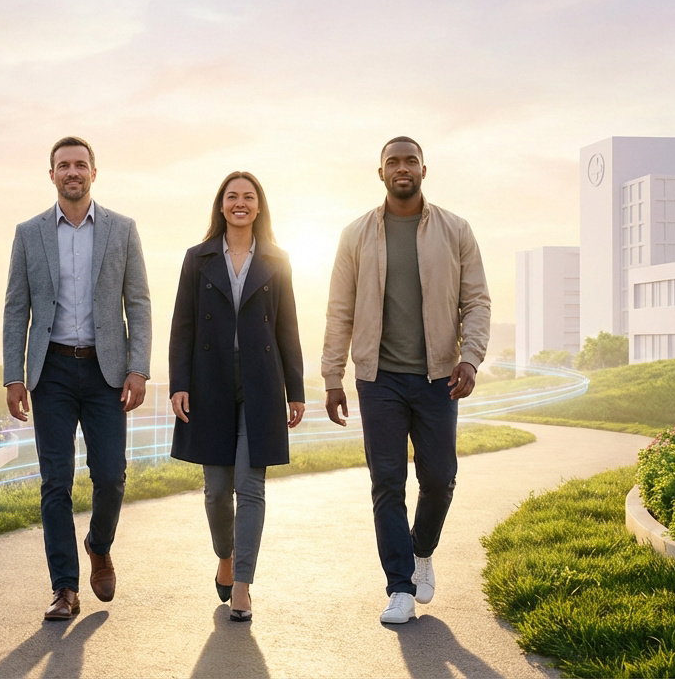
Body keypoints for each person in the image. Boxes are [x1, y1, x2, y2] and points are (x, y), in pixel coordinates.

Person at [321, 136, 490, 624]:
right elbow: (339, 309)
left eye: (410, 161)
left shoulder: (456, 230)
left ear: (422, 170)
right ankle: (399, 586)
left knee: (439, 478)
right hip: (379, 380)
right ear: (381, 172)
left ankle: (421, 550)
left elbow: (477, 301)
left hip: (439, 377)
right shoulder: (355, 235)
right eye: (392, 161)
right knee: (387, 482)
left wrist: (470, 359)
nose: (402, 168)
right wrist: (332, 376)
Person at [3, 135, 152, 621]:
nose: (72, 172)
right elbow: (16, 308)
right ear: (51, 175)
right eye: (63, 165)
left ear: (93, 172)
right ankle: (64, 587)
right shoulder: (29, 233)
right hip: (51, 371)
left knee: (111, 475)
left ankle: (99, 544)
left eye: (80, 165)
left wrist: (138, 368)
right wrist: (13, 376)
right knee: (56, 482)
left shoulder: (122, 229)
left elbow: (139, 303)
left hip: (107, 371)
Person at [167, 171, 309, 622]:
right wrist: (178, 383)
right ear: (221, 205)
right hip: (209, 380)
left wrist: (296, 390)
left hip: (261, 381)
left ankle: (243, 585)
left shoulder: (277, 260)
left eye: (248, 196)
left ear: (259, 206)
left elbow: (287, 327)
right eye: (232, 196)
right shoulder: (198, 258)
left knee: (250, 486)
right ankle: (225, 556)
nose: (240, 203)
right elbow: (182, 325)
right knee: (216, 490)